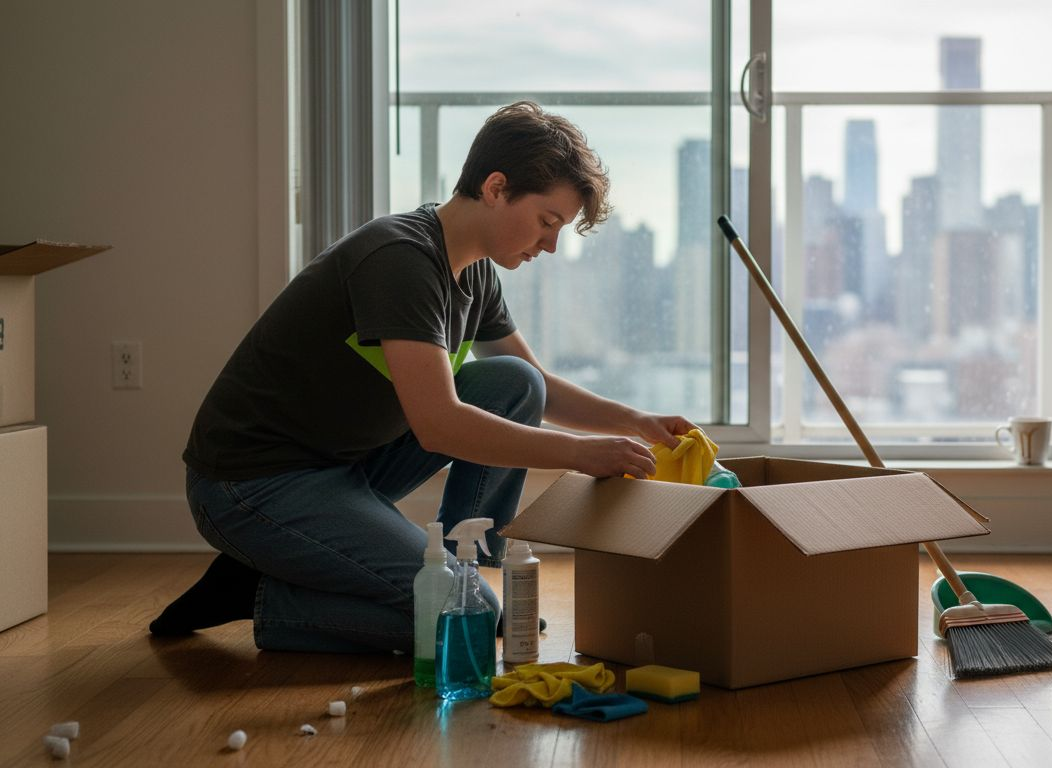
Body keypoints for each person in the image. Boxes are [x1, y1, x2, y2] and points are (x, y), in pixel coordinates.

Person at [150, 101, 696, 653]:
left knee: (515, 383)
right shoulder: (401, 260)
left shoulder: (475, 272)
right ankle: (263, 595)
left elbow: (536, 384)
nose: (551, 245)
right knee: (471, 621)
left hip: (342, 468)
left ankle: (466, 560)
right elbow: (439, 426)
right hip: (250, 485)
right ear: (496, 187)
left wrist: (636, 420)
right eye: (547, 222)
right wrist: (580, 454)